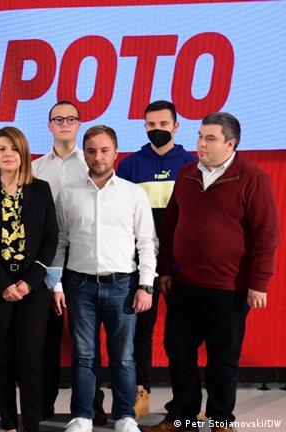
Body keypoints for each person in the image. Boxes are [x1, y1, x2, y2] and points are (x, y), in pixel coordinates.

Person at [140, 113, 279, 432]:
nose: (201, 144)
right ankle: (183, 418)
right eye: (200, 137)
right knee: (179, 352)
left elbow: (266, 234)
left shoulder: (253, 178)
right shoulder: (187, 173)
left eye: (210, 138)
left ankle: (220, 420)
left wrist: (259, 283)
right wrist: (164, 269)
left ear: (231, 143)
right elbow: (171, 224)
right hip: (185, 283)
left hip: (229, 288)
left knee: (223, 357)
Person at [53, 125, 155, 432]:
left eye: (104, 150)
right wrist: (55, 284)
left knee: (124, 357)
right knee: (84, 355)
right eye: (91, 151)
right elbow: (59, 242)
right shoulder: (68, 195)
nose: (98, 157)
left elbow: (147, 243)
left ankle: (125, 416)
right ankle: (82, 416)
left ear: (116, 152)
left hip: (123, 286)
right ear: (84, 154)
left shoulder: (133, 194)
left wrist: (146, 285)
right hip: (79, 286)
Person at [0, 126, 58, 432]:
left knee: (30, 358)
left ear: (23, 153)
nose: (8, 154)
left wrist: (30, 281)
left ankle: (31, 424)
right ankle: (8, 423)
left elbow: (51, 238)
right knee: (1, 357)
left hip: (33, 287)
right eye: (1, 149)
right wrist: (3, 283)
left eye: (13, 148)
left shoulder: (41, 190)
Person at [114, 100, 195, 419]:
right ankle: (140, 392)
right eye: (151, 125)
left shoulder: (191, 164)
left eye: (163, 124)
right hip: (140, 266)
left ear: (176, 126)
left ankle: (188, 403)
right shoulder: (129, 166)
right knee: (140, 332)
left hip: (182, 267)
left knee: (184, 336)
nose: (157, 129)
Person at [30, 101, 93, 422]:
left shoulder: (91, 163)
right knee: (47, 337)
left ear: (79, 124)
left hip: (84, 258)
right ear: (49, 125)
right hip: (46, 259)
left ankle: (92, 404)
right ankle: (44, 404)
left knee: (87, 338)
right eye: (58, 119)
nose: (65, 124)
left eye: (71, 119)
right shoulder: (36, 168)